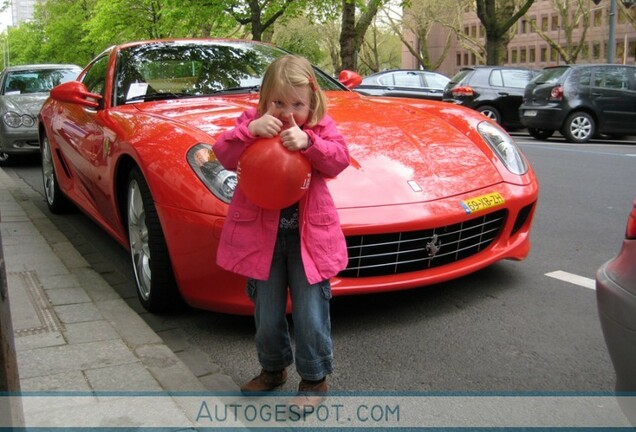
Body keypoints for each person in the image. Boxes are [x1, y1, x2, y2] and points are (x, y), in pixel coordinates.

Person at [213, 55, 350, 402]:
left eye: (297, 104)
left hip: (308, 240)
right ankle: (273, 369)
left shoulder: (318, 129)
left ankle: (314, 377)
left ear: (312, 103)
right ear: (264, 100)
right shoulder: (252, 123)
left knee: (310, 312)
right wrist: (248, 131)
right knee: (267, 310)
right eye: (278, 102)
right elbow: (222, 154)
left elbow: (340, 160)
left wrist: (310, 143)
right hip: (264, 240)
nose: (287, 112)